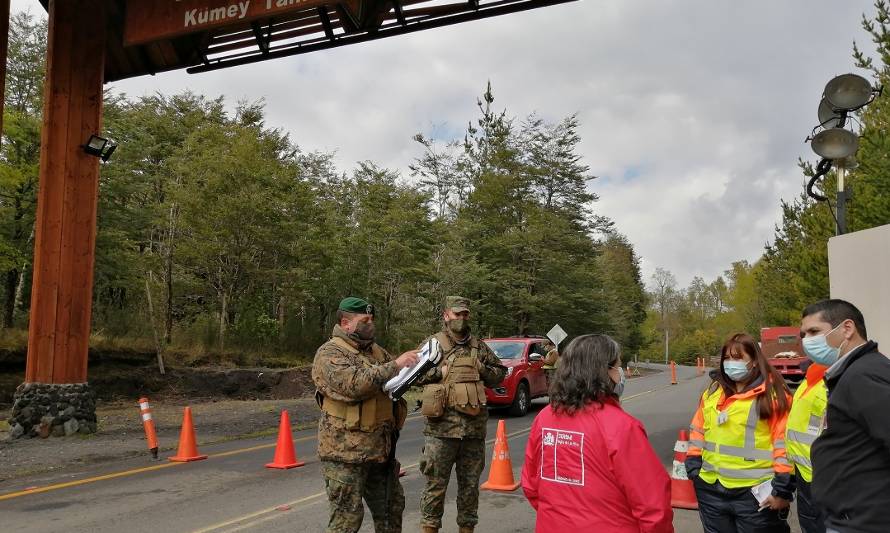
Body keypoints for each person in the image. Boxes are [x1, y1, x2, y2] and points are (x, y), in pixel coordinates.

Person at [521, 334, 673, 533]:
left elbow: (531, 486)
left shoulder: (545, 418)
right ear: (603, 372)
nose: (620, 373)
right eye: (617, 366)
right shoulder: (622, 427)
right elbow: (653, 508)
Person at [312, 297, 419, 533]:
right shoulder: (330, 353)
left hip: (380, 452)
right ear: (346, 323)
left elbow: (394, 377)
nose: (371, 324)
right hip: (345, 456)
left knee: (391, 511)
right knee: (346, 522)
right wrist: (397, 365)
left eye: (372, 319)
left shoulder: (376, 351)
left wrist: (419, 365)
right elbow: (354, 384)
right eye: (364, 320)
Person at [686, 333, 793, 533]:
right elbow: (698, 429)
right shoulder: (713, 392)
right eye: (727, 358)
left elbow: (784, 445)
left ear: (753, 361)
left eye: (738, 358)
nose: (730, 363)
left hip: (754, 494)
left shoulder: (773, 395)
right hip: (711, 488)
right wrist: (693, 465)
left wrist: (782, 489)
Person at [416, 296, 507, 533]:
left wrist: (482, 368)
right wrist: (439, 372)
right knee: (435, 489)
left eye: (465, 314)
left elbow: (499, 374)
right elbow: (413, 376)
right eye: (457, 314)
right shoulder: (433, 344)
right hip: (441, 432)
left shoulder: (478, 346)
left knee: (469, 489)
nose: (461, 318)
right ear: (446, 315)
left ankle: (466, 529)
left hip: (473, 432)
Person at [801, 299, 890, 533]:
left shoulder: (862, 375)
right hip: (852, 517)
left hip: (864, 522)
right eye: (804, 334)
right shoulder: (852, 373)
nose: (806, 341)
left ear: (847, 328)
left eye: (813, 331)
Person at [784, 357, 828, 533]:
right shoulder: (809, 378)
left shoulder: (838, 380)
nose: (806, 339)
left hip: (828, 479)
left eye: (814, 332)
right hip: (804, 473)